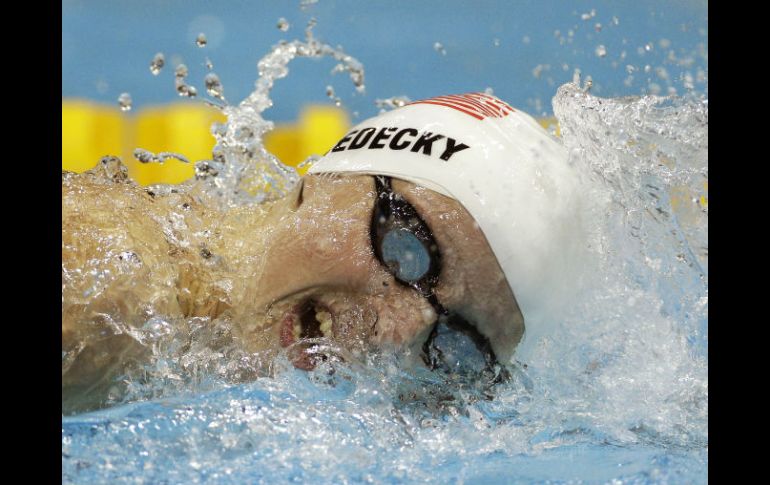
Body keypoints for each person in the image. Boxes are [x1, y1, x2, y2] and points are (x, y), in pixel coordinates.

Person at [62, 92, 585, 412]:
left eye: (455, 346)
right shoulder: (105, 288)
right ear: (329, 176)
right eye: (408, 251)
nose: (403, 332)